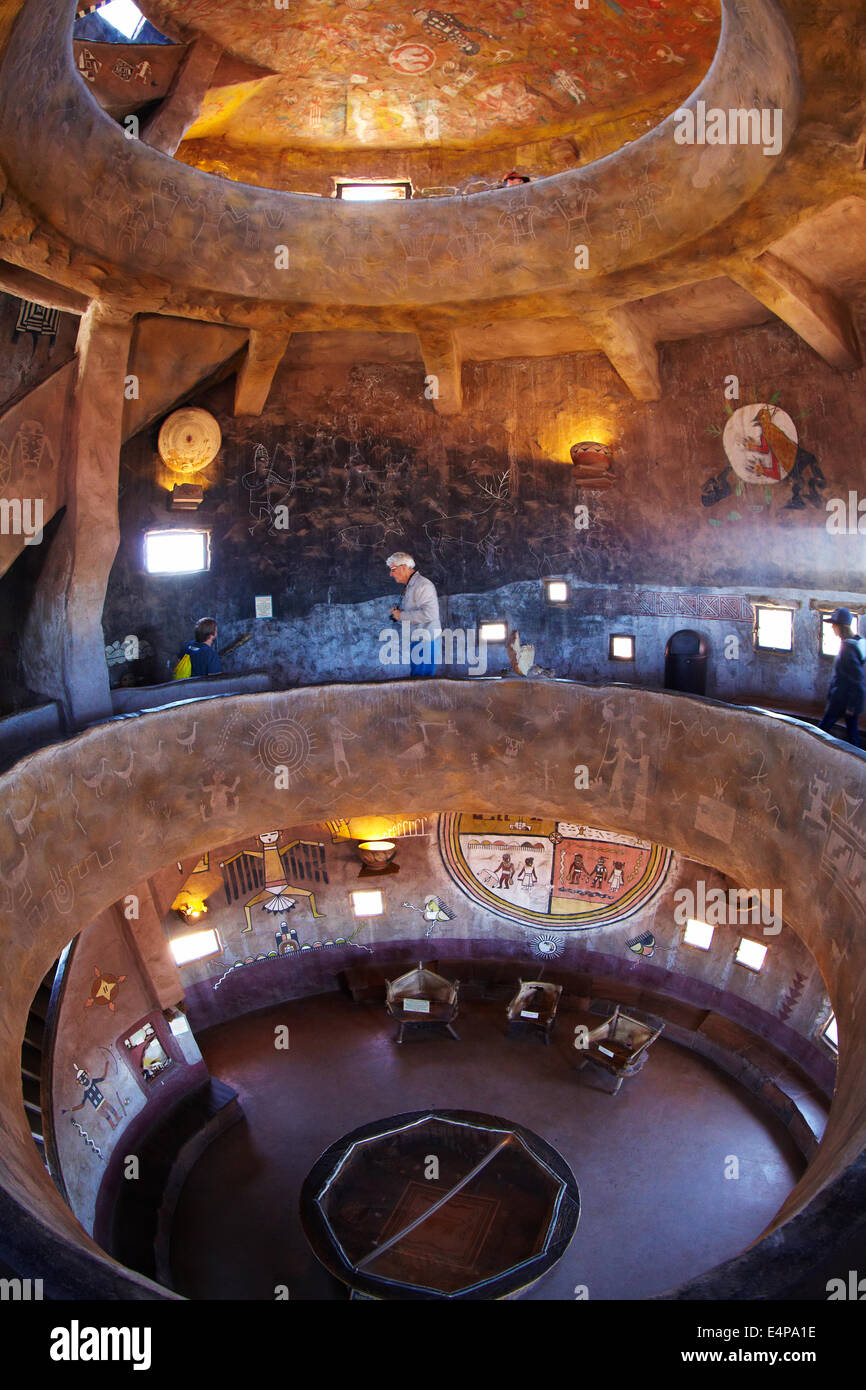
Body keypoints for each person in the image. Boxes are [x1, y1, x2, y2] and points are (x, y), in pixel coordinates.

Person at [386, 552, 441, 677]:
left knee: (421, 684)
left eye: (393, 569)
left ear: (404, 567)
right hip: (421, 641)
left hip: (426, 641)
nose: (391, 573)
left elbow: (430, 614)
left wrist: (402, 616)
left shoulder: (422, 585)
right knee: (419, 681)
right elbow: (417, 611)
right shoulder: (412, 585)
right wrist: (398, 613)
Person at [818, 608, 866, 747]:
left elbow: (856, 679)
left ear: (840, 626)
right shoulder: (856, 642)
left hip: (841, 700)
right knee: (852, 735)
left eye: (834, 624)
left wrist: (851, 705)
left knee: (820, 731)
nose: (832, 627)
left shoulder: (848, 648)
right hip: (846, 700)